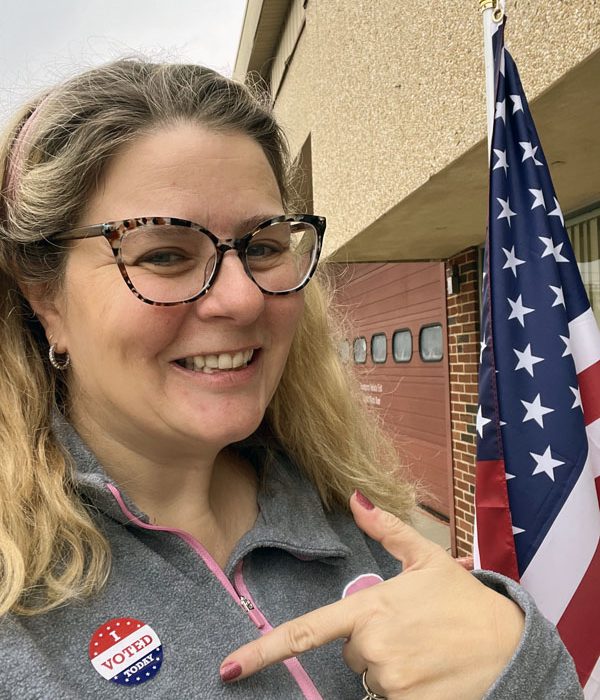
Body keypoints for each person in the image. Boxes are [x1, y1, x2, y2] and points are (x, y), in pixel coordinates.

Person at [0, 59, 582, 700]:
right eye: (164, 254)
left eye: (263, 247)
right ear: (44, 297)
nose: (243, 300)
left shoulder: (347, 518)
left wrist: (515, 667)